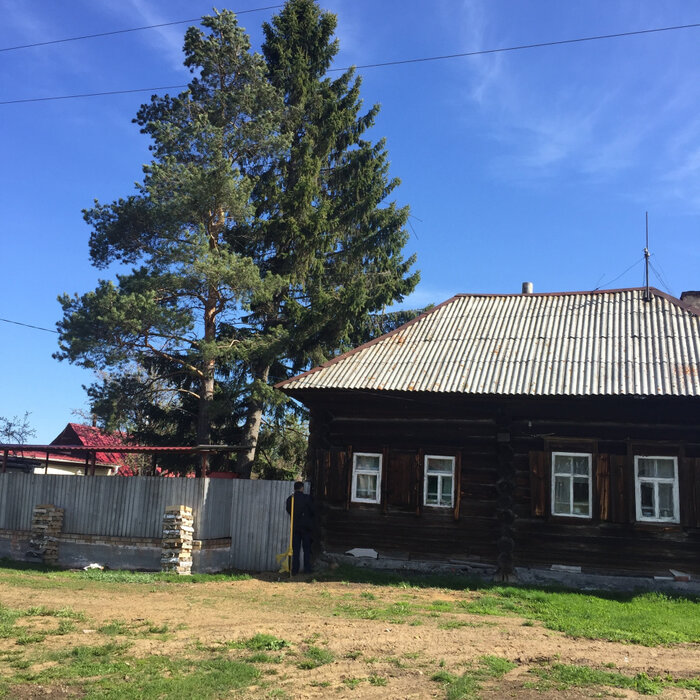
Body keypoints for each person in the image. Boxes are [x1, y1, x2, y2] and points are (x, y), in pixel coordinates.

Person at [285, 481, 314, 575]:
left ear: (294, 488)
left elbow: (289, 510)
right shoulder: (307, 498)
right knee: (306, 549)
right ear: (302, 488)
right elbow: (312, 510)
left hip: (295, 527)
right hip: (306, 528)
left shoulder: (290, 499)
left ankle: (295, 570)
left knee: (296, 549)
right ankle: (307, 569)